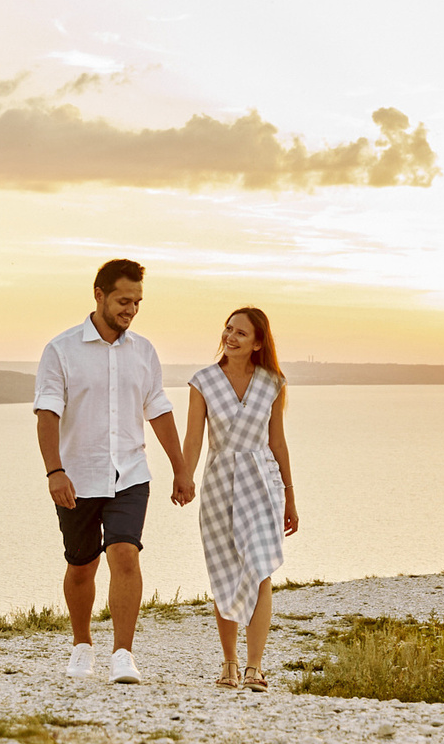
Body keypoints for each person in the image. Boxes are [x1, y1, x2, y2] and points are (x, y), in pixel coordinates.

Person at [34, 258, 190, 683]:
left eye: (138, 302)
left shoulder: (143, 352)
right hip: (78, 475)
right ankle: (82, 646)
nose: (131, 310)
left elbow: (158, 409)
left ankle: (124, 654)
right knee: (82, 564)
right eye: (124, 301)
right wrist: (55, 472)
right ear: (99, 295)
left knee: (125, 553)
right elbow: (47, 415)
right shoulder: (60, 350)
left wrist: (181, 469)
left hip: (131, 472)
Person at [173, 306, 298, 689]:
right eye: (228, 329)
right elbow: (194, 438)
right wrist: (184, 476)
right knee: (225, 571)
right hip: (219, 483)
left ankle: (254, 667)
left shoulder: (272, 382)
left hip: (262, 483)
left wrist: (291, 497)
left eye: (241, 332)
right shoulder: (204, 382)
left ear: (258, 342)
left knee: (260, 569)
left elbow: (276, 440)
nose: (230, 336)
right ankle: (229, 664)